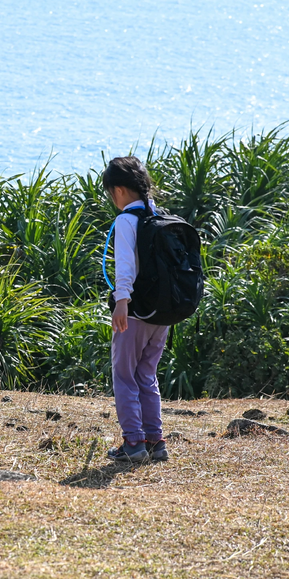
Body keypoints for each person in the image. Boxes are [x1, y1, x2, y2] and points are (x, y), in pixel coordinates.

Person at [102, 156, 169, 463]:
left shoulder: (127, 221)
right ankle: (156, 442)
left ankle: (133, 443)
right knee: (147, 375)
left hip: (136, 311)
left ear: (118, 190)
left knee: (124, 375)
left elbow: (125, 267)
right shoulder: (160, 216)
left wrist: (121, 301)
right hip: (163, 313)